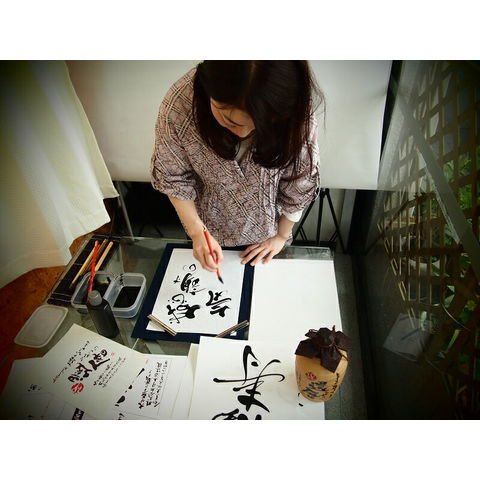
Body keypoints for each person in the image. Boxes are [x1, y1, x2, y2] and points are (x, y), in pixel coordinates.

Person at [151, 60, 322, 272]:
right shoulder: (180, 105)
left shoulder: (292, 106)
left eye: (259, 125)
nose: (243, 133)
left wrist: (280, 236)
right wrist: (197, 233)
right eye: (230, 120)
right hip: (205, 229)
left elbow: (300, 182)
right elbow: (173, 177)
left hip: (269, 234)